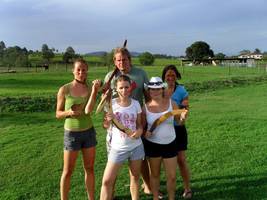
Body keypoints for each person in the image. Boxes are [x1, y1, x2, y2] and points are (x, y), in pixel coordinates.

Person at [103, 47, 152, 195]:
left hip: (138, 119)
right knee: (114, 161)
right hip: (117, 125)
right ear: (114, 61)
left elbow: (148, 96)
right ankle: (111, 193)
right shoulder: (110, 77)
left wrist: (147, 118)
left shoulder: (140, 73)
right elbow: (107, 103)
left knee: (141, 158)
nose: (121, 62)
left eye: (124, 59)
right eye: (118, 60)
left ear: (129, 59)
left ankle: (148, 185)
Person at [56, 58, 101, 200]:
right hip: (72, 135)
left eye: (84, 70)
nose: (81, 72)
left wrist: (96, 89)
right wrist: (69, 113)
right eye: (78, 70)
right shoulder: (65, 89)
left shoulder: (90, 87)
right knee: (68, 171)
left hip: (88, 133)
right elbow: (58, 113)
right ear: (73, 71)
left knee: (89, 168)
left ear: (87, 71)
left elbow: (89, 109)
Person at [142, 77, 188, 200]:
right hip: (153, 145)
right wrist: (145, 132)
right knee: (155, 175)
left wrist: (183, 117)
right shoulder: (145, 107)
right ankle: (156, 197)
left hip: (171, 143)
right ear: (149, 91)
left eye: (157, 89)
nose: (154, 92)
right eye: (152, 89)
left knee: (172, 176)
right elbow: (141, 127)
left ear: (163, 89)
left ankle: (171, 198)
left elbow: (179, 122)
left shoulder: (171, 103)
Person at [100, 75, 144, 200]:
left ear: (130, 88)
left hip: (136, 147)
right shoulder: (110, 104)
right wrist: (108, 121)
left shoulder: (136, 104)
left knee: (135, 178)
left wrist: (140, 131)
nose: (124, 90)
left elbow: (139, 125)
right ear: (116, 89)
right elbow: (105, 126)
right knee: (107, 181)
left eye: (126, 87)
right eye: (121, 88)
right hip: (118, 148)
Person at [162, 65, 192, 199]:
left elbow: (185, 109)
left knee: (181, 159)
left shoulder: (181, 90)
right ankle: (154, 187)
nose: (170, 78)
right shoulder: (159, 89)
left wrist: (183, 117)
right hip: (162, 130)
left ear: (177, 76)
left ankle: (187, 188)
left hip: (178, 129)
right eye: (168, 75)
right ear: (164, 77)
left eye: (173, 75)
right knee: (161, 160)